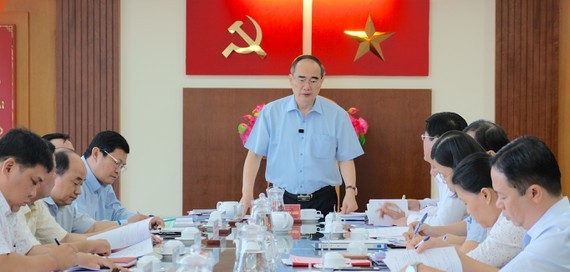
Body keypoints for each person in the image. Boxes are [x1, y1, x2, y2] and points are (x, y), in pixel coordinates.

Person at [404, 136, 570, 271]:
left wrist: (420, 268)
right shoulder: (556, 223)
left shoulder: (555, 239)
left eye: (503, 197)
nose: (498, 204)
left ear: (534, 193)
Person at [239, 55, 364, 215]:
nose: (307, 86)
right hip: (280, 200)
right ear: (291, 79)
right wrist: (247, 193)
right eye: (301, 79)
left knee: (325, 240)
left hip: (322, 200)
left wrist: (350, 191)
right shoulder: (271, 113)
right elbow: (255, 154)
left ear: (321, 81)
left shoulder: (337, 115)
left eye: (313, 80)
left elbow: (345, 157)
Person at [0, 128, 125, 271]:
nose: (33, 192)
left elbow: (29, 250)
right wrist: (55, 261)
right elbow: (4, 264)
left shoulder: (9, 207)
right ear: (9, 168)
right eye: (34, 181)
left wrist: (82, 259)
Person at [406, 152, 525, 268]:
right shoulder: (497, 221)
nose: (468, 212)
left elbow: (469, 263)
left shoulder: (509, 225)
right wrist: (440, 243)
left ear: (485, 195)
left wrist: (420, 266)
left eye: (466, 203)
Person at [18, 142, 111, 254]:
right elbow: (31, 252)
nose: (79, 191)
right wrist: (85, 251)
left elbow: (62, 239)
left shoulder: (37, 204)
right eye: (51, 171)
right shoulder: (15, 202)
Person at [380, 112, 468, 226]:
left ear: (437, 141)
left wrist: (409, 220)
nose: (423, 142)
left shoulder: (456, 173)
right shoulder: (448, 168)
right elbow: (446, 205)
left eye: (424, 137)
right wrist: (420, 205)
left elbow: (443, 222)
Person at [46, 148, 159, 233]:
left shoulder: (67, 207)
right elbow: (65, 241)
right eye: (76, 183)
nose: (79, 191)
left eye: (81, 184)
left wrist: (137, 226)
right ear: (53, 175)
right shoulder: (38, 205)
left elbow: (94, 227)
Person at [74, 130, 163, 227]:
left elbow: (115, 213)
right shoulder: (74, 177)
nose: (118, 171)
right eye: (116, 163)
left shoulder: (103, 180)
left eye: (122, 166)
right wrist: (128, 223)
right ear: (96, 154)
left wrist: (144, 220)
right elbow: (83, 227)